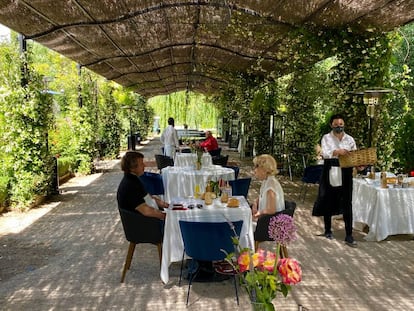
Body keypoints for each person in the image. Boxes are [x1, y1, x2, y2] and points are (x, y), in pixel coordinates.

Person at [312, 114, 359, 247]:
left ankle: (349, 234)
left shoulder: (350, 139)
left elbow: (355, 155)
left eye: (341, 124)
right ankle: (327, 229)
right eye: (336, 124)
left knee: (347, 202)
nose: (339, 127)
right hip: (330, 169)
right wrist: (337, 151)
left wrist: (358, 163)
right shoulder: (326, 138)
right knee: (328, 199)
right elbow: (325, 153)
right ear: (331, 125)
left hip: (346, 171)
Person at [117, 151, 168, 222]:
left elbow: (147, 196)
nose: (144, 166)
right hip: (142, 223)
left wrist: (167, 205)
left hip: (143, 218)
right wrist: (167, 217)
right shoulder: (130, 186)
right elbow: (146, 211)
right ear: (132, 168)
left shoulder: (133, 179)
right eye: (141, 164)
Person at [251, 154, 285, 224]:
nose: (254, 170)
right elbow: (262, 196)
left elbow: (271, 210)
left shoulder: (271, 185)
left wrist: (257, 214)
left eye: (256, 167)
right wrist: (255, 203)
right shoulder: (267, 180)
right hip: (265, 220)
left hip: (269, 224)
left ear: (265, 169)